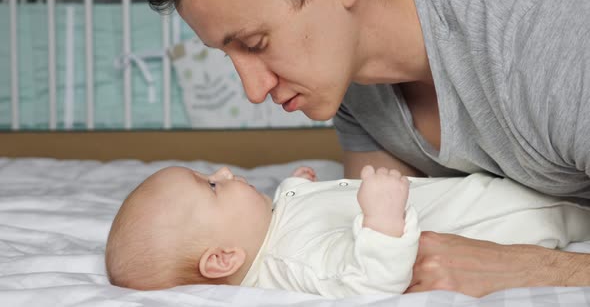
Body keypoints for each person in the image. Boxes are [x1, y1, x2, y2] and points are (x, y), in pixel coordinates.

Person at [143, 0, 590, 296]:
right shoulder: (352, 89)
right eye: (229, 54)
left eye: (257, 43)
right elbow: (373, 238)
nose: (254, 90)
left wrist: (535, 266)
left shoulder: (545, 37)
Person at [105, 165, 590, 297]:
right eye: (211, 186)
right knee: (563, 211)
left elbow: (290, 207)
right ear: (224, 259)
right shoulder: (290, 260)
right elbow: (365, 281)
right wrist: (382, 220)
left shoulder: (269, 229)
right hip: (503, 221)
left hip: (483, 192)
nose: (226, 173)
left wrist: (298, 183)